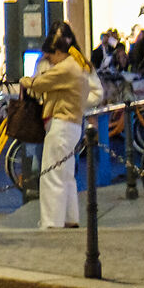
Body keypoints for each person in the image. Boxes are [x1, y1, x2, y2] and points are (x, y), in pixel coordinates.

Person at [26, 20, 92, 229]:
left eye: (51, 56)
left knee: (51, 175)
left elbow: (37, 83)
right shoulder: (79, 64)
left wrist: (24, 81)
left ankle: (52, 222)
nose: (50, 60)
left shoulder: (65, 68)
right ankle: (70, 218)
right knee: (66, 175)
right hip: (73, 125)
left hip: (61, 125)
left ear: (58, 52)